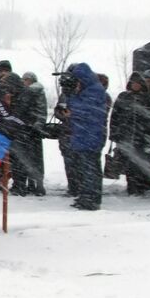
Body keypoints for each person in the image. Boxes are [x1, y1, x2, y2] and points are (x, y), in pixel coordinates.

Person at [57, 63, 108, 209]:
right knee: (84, 170)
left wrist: (71, 102)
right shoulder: (86, 90)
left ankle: (91, 199)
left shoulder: (95, 91)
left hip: (90, 137)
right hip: (83, 136)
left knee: (90, 170)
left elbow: (88, 110)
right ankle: (85, 196)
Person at [21, 72, 49, 196]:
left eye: (24, 80)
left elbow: (39, 111)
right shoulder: (37, 92)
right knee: (35, 158)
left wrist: (34, 125)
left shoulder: (33, 92)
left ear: (29, 80)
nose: (23, 82)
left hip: (31, 129)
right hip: (34, 129)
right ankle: (36, 184)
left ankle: (36, 185)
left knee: (32, 158)